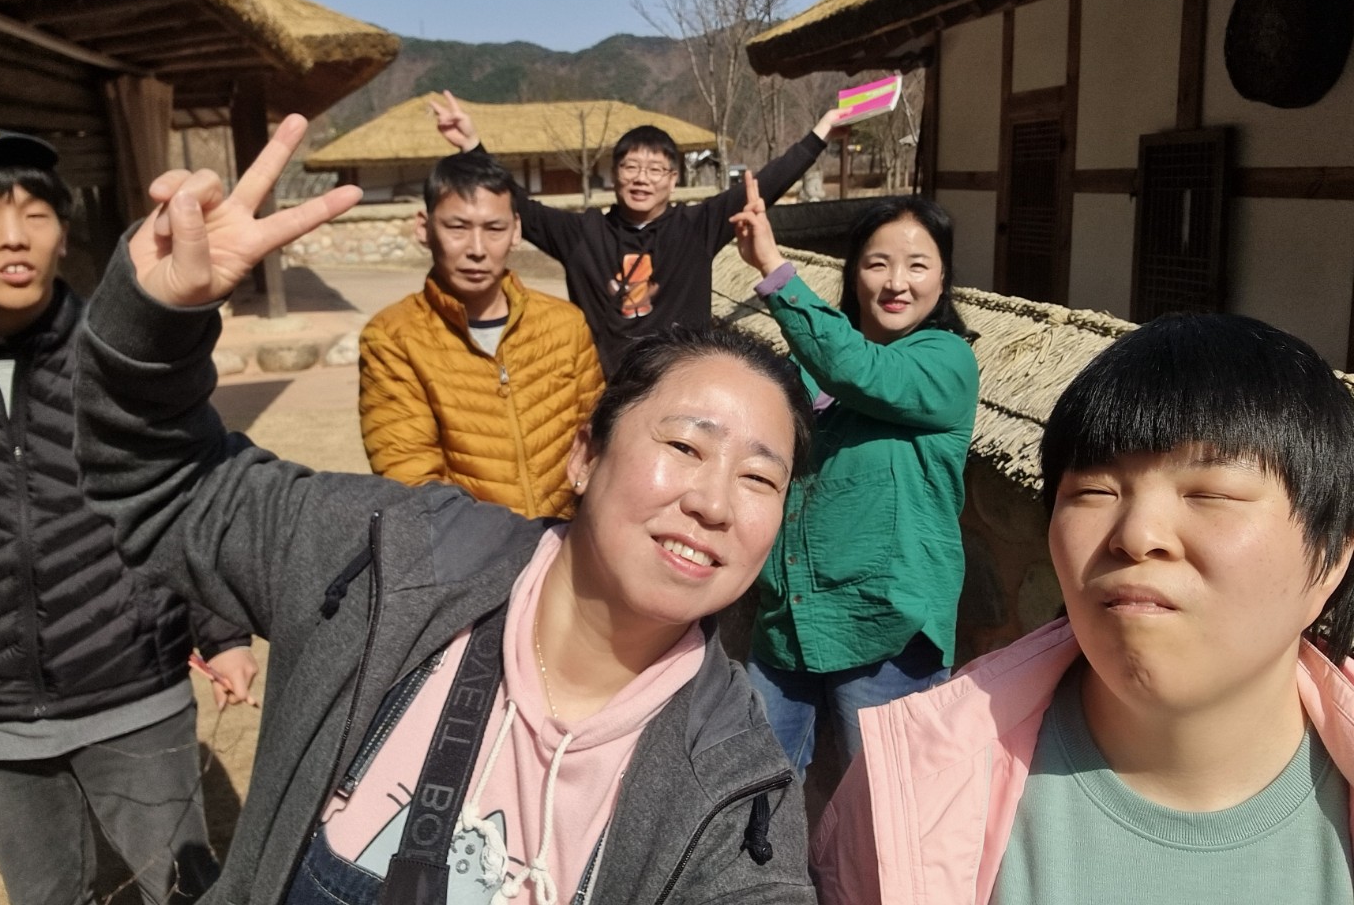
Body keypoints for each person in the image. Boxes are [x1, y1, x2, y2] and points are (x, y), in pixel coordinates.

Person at [73, 114, 821, 904]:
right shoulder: (387, 561)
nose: (713, 501)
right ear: (586, 453)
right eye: (686, 446)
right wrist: (151, 326)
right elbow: (164, 484)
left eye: (759, 478)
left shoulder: (739, 784)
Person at [812, 313, 1354, 905]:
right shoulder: (910, 789)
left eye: (1211, 493)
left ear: (1330, 559)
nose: (1137, 534)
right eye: (1095, 491)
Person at [0, 126, 259, 905]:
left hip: (132, 685)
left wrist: (224, 632)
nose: (13, 236)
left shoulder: (114, 352)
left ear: (63, 236)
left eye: (36, 214)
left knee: (181, 888)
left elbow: (181, 484)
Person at [729, 179, 979, 780]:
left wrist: (772, 267)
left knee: (887, 806)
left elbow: (857, 369)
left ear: (943, 278)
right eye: (877, 263)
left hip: (883, 630)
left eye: (918, 265)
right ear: (854, 274)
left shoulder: (946, 362)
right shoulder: (807, 366)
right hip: (788, 622)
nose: (897, 283)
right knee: (748, 789)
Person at [430, 90, 845, 374]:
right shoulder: (582, 233)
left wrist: (820, 134)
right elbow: (518, 203)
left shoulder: (696, 227)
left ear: (673, 179)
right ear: (614, 174)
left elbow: (766, 182)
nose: (642, 178)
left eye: (655, 169)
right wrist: (472, 146)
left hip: (680, 382)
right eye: (630, 167)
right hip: (604, 388)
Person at [359, 150, 603, 519]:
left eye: (494, 229)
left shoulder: (564, 324)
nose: (477, 249)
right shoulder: (393, 337)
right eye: (457, 227)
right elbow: (412, 478)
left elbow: (597, 443)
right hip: (471, 546)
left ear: (516, 230)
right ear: (424, 228)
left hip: (569, 538)